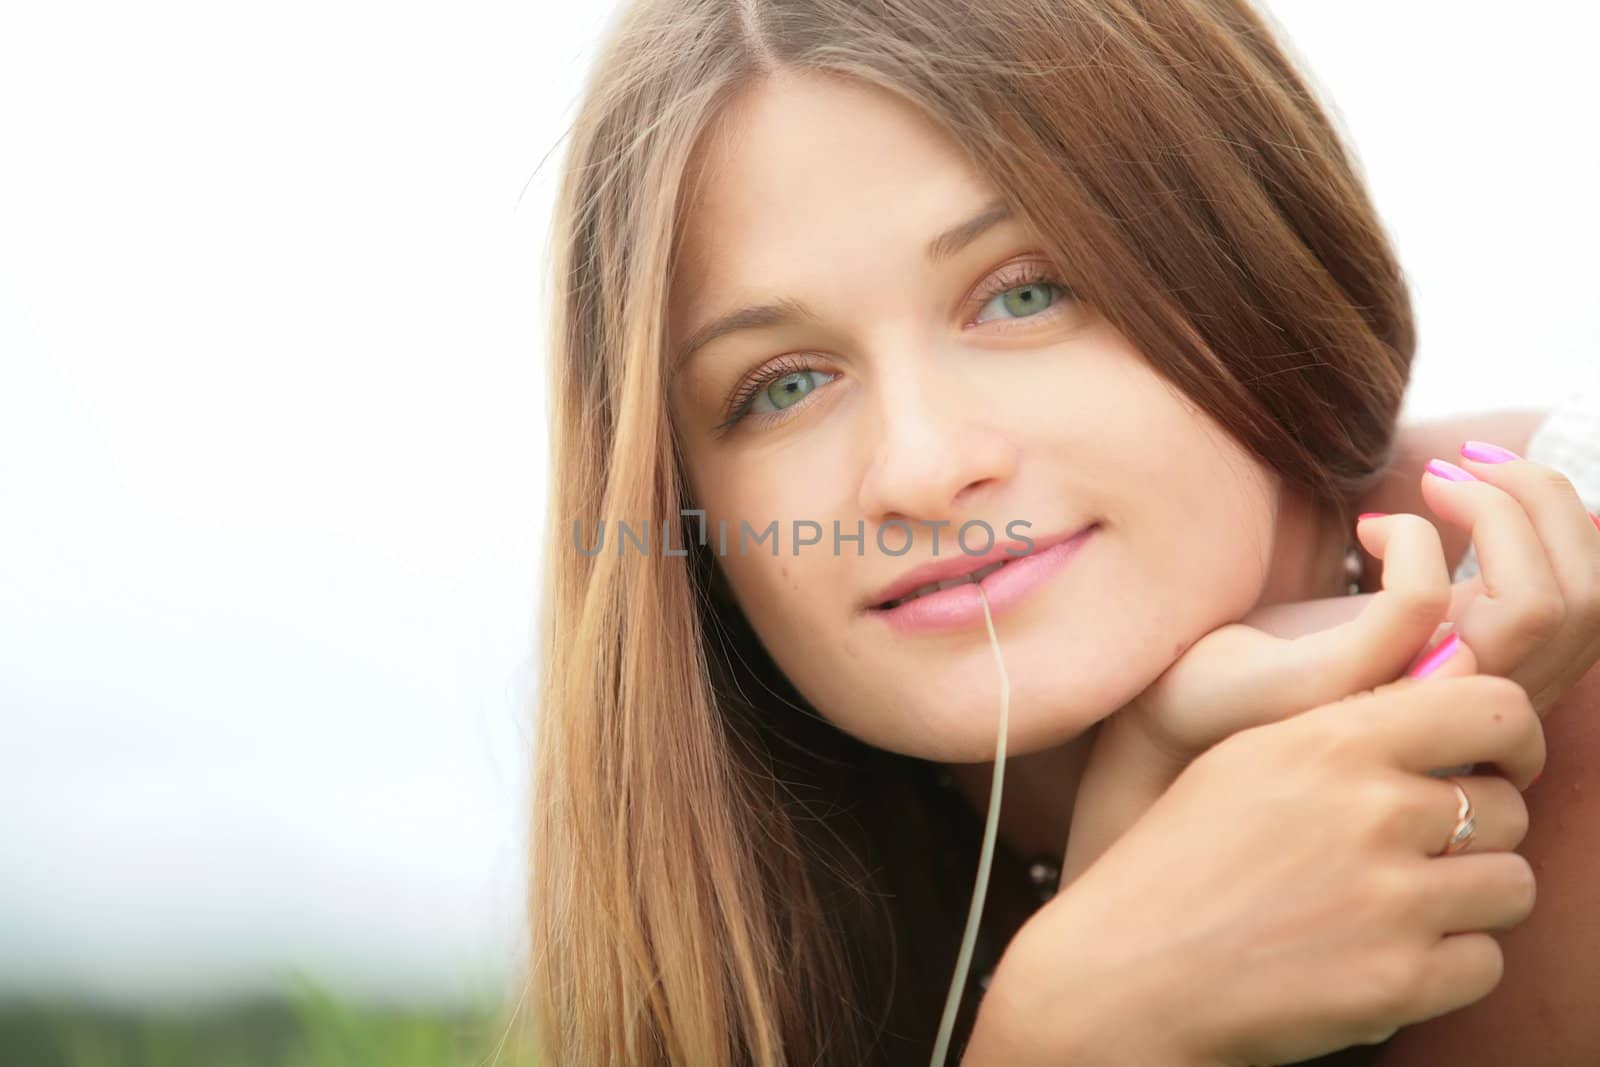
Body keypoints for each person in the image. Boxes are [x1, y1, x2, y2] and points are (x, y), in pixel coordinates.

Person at [524, 1, 1600, 1063]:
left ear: (1256, 262)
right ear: (686, 510)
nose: (922, 468)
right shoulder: (753, 916)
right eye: (785, 383)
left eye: (1023, 293)